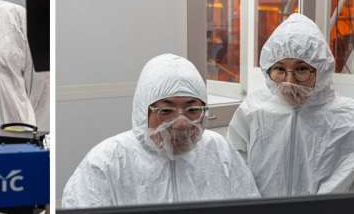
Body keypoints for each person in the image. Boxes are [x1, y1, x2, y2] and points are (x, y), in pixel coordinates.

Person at [227, 13, 354, 197]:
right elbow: (235, 168)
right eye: (280, 69)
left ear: (321, 69)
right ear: (268, 70)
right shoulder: (253, 111)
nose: (289, 81)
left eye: (301, 69)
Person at [62, 54, 259, 208]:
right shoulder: (107, 161)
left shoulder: (219, 151)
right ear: (143, 112)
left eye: (192, 110)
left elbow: (251, 206)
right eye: (166, 111)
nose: (181, 124)